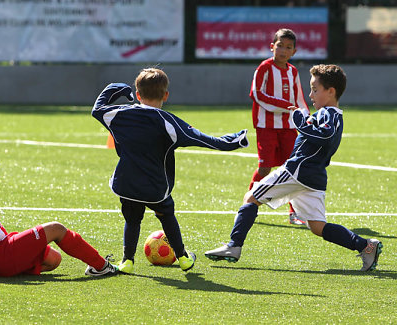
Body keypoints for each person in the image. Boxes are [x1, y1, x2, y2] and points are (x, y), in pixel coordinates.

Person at [205, 64, 383, 272]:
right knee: (317, 226)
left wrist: (300, 122)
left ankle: (234, 246)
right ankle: (366, 246)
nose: (310, 94)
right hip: (313, 177)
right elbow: (318, 133)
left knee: (251, 197)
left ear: (331, 91)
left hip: (298, 171)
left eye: (315, 90)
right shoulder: (326, 115)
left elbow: (324, 136)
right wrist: (305, 119)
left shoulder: (330, 114)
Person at [92, 68, 249, 274]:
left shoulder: (119, 114)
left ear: (138, 94)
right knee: (166, 216)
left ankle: (127, 261)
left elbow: (97, 108)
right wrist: (233, 141)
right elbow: (203, 139)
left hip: (126, 183)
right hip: (155, 186)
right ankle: (183, 257)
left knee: (132, 220)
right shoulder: (168, 122)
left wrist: (117, 89)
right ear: (166, 95)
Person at [0, 152, 118, 282]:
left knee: (53, 259)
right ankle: (102, 266)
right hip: (1, 255)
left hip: (3, 251)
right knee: (56, 229)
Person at [249, 28, 309, 225]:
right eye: (280, 45)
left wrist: (307, 118)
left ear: (294, 52)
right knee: (265, 168)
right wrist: (285, 106)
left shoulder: (293, 71)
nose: (283, 50)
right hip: (265, 126)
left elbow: (299, 98)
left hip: (287, 127)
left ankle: (295, 213)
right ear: (272, 47)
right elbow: (257, 95)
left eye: (288, 47)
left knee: (291, 170)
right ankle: (249, 206)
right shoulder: (264, 68)